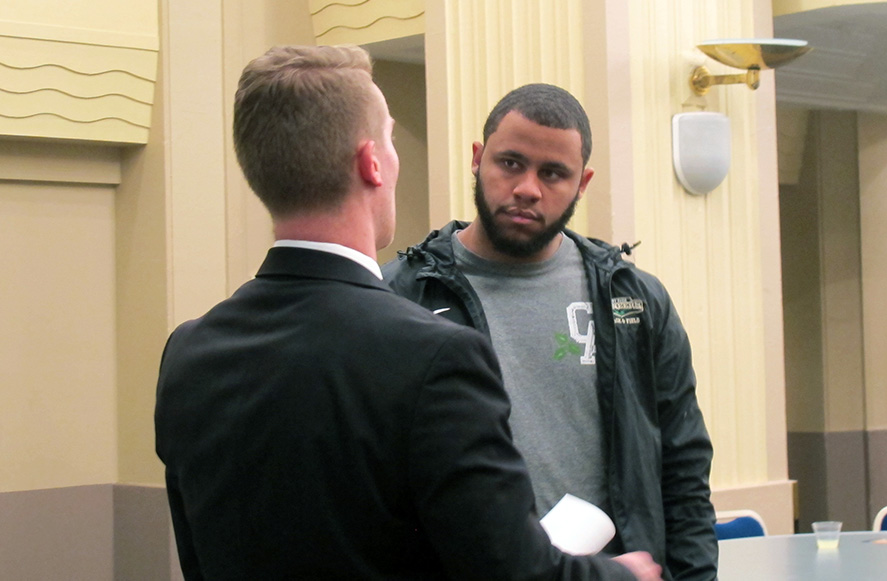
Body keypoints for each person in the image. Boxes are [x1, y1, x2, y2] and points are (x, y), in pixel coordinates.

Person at [154, 46, 662, 581]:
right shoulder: (434, 356)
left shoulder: (188, 352)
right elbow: (512, 572)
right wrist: (625, 576)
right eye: (392, 139)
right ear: (372, 162)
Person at [383, 83, 718, 580]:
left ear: (582, 184)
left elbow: (683, 468)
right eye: (511, 163)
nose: (527, 189)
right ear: (478, 159)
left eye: (553, 173)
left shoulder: (633, 299)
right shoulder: (401, 296)